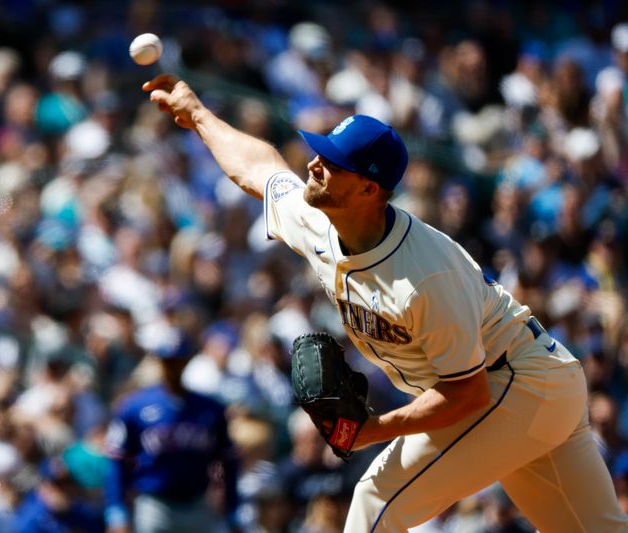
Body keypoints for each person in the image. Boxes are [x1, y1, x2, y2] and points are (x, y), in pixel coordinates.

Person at [142, 73, 628, 532]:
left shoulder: (424, 275)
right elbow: (259, 170)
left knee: (376, 501)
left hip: (513, 385)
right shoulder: (319, 220)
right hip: (538, 384)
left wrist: (370, 430)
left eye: (333, 162)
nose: (315, 162)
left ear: (369, 188)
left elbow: (468, 395)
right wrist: (199, 113)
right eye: (321, 151)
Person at [104, 326, 239, 533]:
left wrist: (233, 506)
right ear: (159, 361)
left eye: (179, 360)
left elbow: (229, 459)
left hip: (198, 503)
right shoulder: (135, 407)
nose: (174, 367)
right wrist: (116, 509)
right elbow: (117, 460)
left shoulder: (210, 408)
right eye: (169, 361)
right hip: (154, 503)